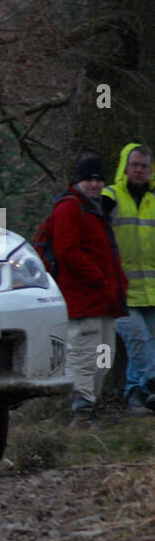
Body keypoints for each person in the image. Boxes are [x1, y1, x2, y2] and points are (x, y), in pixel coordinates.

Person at [54, 154, 127, 428]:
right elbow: (65, 250)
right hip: (82, 300)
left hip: (104, 300)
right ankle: (81, 411)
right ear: (78, 181)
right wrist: (98, 279)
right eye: (89, 179)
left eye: (98, 179)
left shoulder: (96, 210)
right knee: (84, 355)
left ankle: (90, 406)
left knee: (104, 356)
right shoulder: (69, 209)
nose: (94, 184)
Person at [102, 143, 155, 414]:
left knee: (147, 343)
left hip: (151, 289)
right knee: (140, 341)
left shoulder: (154, 198)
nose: (138, 170)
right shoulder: (109, 196)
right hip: (119, 289)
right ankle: (143, 390)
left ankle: (138, 396)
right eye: (134, 164)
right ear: (125, 166)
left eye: (144, 166)